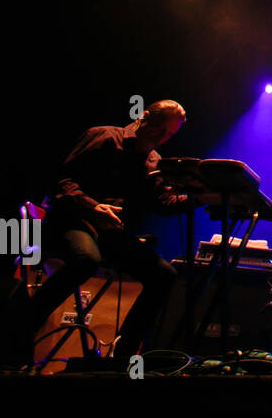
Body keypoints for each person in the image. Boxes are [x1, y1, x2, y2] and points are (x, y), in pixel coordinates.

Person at [28, 101, 189, 361]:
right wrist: (92, 208)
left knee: (164, 275)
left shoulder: (152, 161)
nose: (161, 138)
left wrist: (206, 197)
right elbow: (62, 181)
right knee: (86, 259)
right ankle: (21, 324)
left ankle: (121, 358)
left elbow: (163, 205)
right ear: (144, 117)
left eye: (168, 135)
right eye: (159, 129)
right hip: (71, 221)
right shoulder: (104, 137)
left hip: (107, 236)